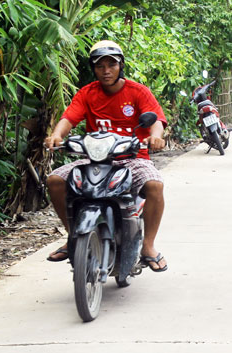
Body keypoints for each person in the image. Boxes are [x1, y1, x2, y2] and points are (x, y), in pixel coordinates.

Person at [43, 40, 168, 272]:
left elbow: (157, 120)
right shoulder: (87, 93)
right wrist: (56, 135)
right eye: (100, 66)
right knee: (55, 180)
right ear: (94, 68)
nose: (106, 70)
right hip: (96, 160)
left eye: (112, 64)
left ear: (121, 66)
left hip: (133, 159)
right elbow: (68, 119)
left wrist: (155, 137)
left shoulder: (137, 91)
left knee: (155, 186)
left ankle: (148, 246)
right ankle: (73, 237)